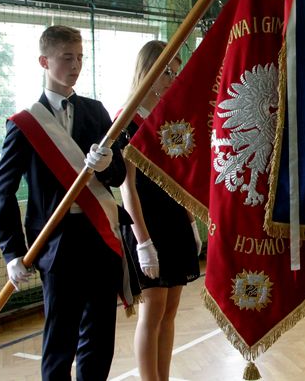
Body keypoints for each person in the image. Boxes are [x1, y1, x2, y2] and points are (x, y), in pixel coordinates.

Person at [0, 25, 127, 380]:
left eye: (80, 57)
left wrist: (107, 165)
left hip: (100, 236)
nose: (76, 65)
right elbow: (2, 189)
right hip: (57, 244)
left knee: (99, 338)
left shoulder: (96, 112)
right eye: (67, 57)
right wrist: (11, 252)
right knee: (59, 341)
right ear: (44, 61)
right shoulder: (25, 123)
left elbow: (119, 176)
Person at [119, 40, 201, 381]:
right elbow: (127, 188)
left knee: (170, 309)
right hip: (146, 223)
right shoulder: (127, 121)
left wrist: (191, 221)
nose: (172, 79)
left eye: (176, 72)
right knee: (152, 310)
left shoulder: (171, 120)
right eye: (166, 71)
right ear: (148, 72)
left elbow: (180, 177)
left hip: (174, 220)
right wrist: (143, 242)